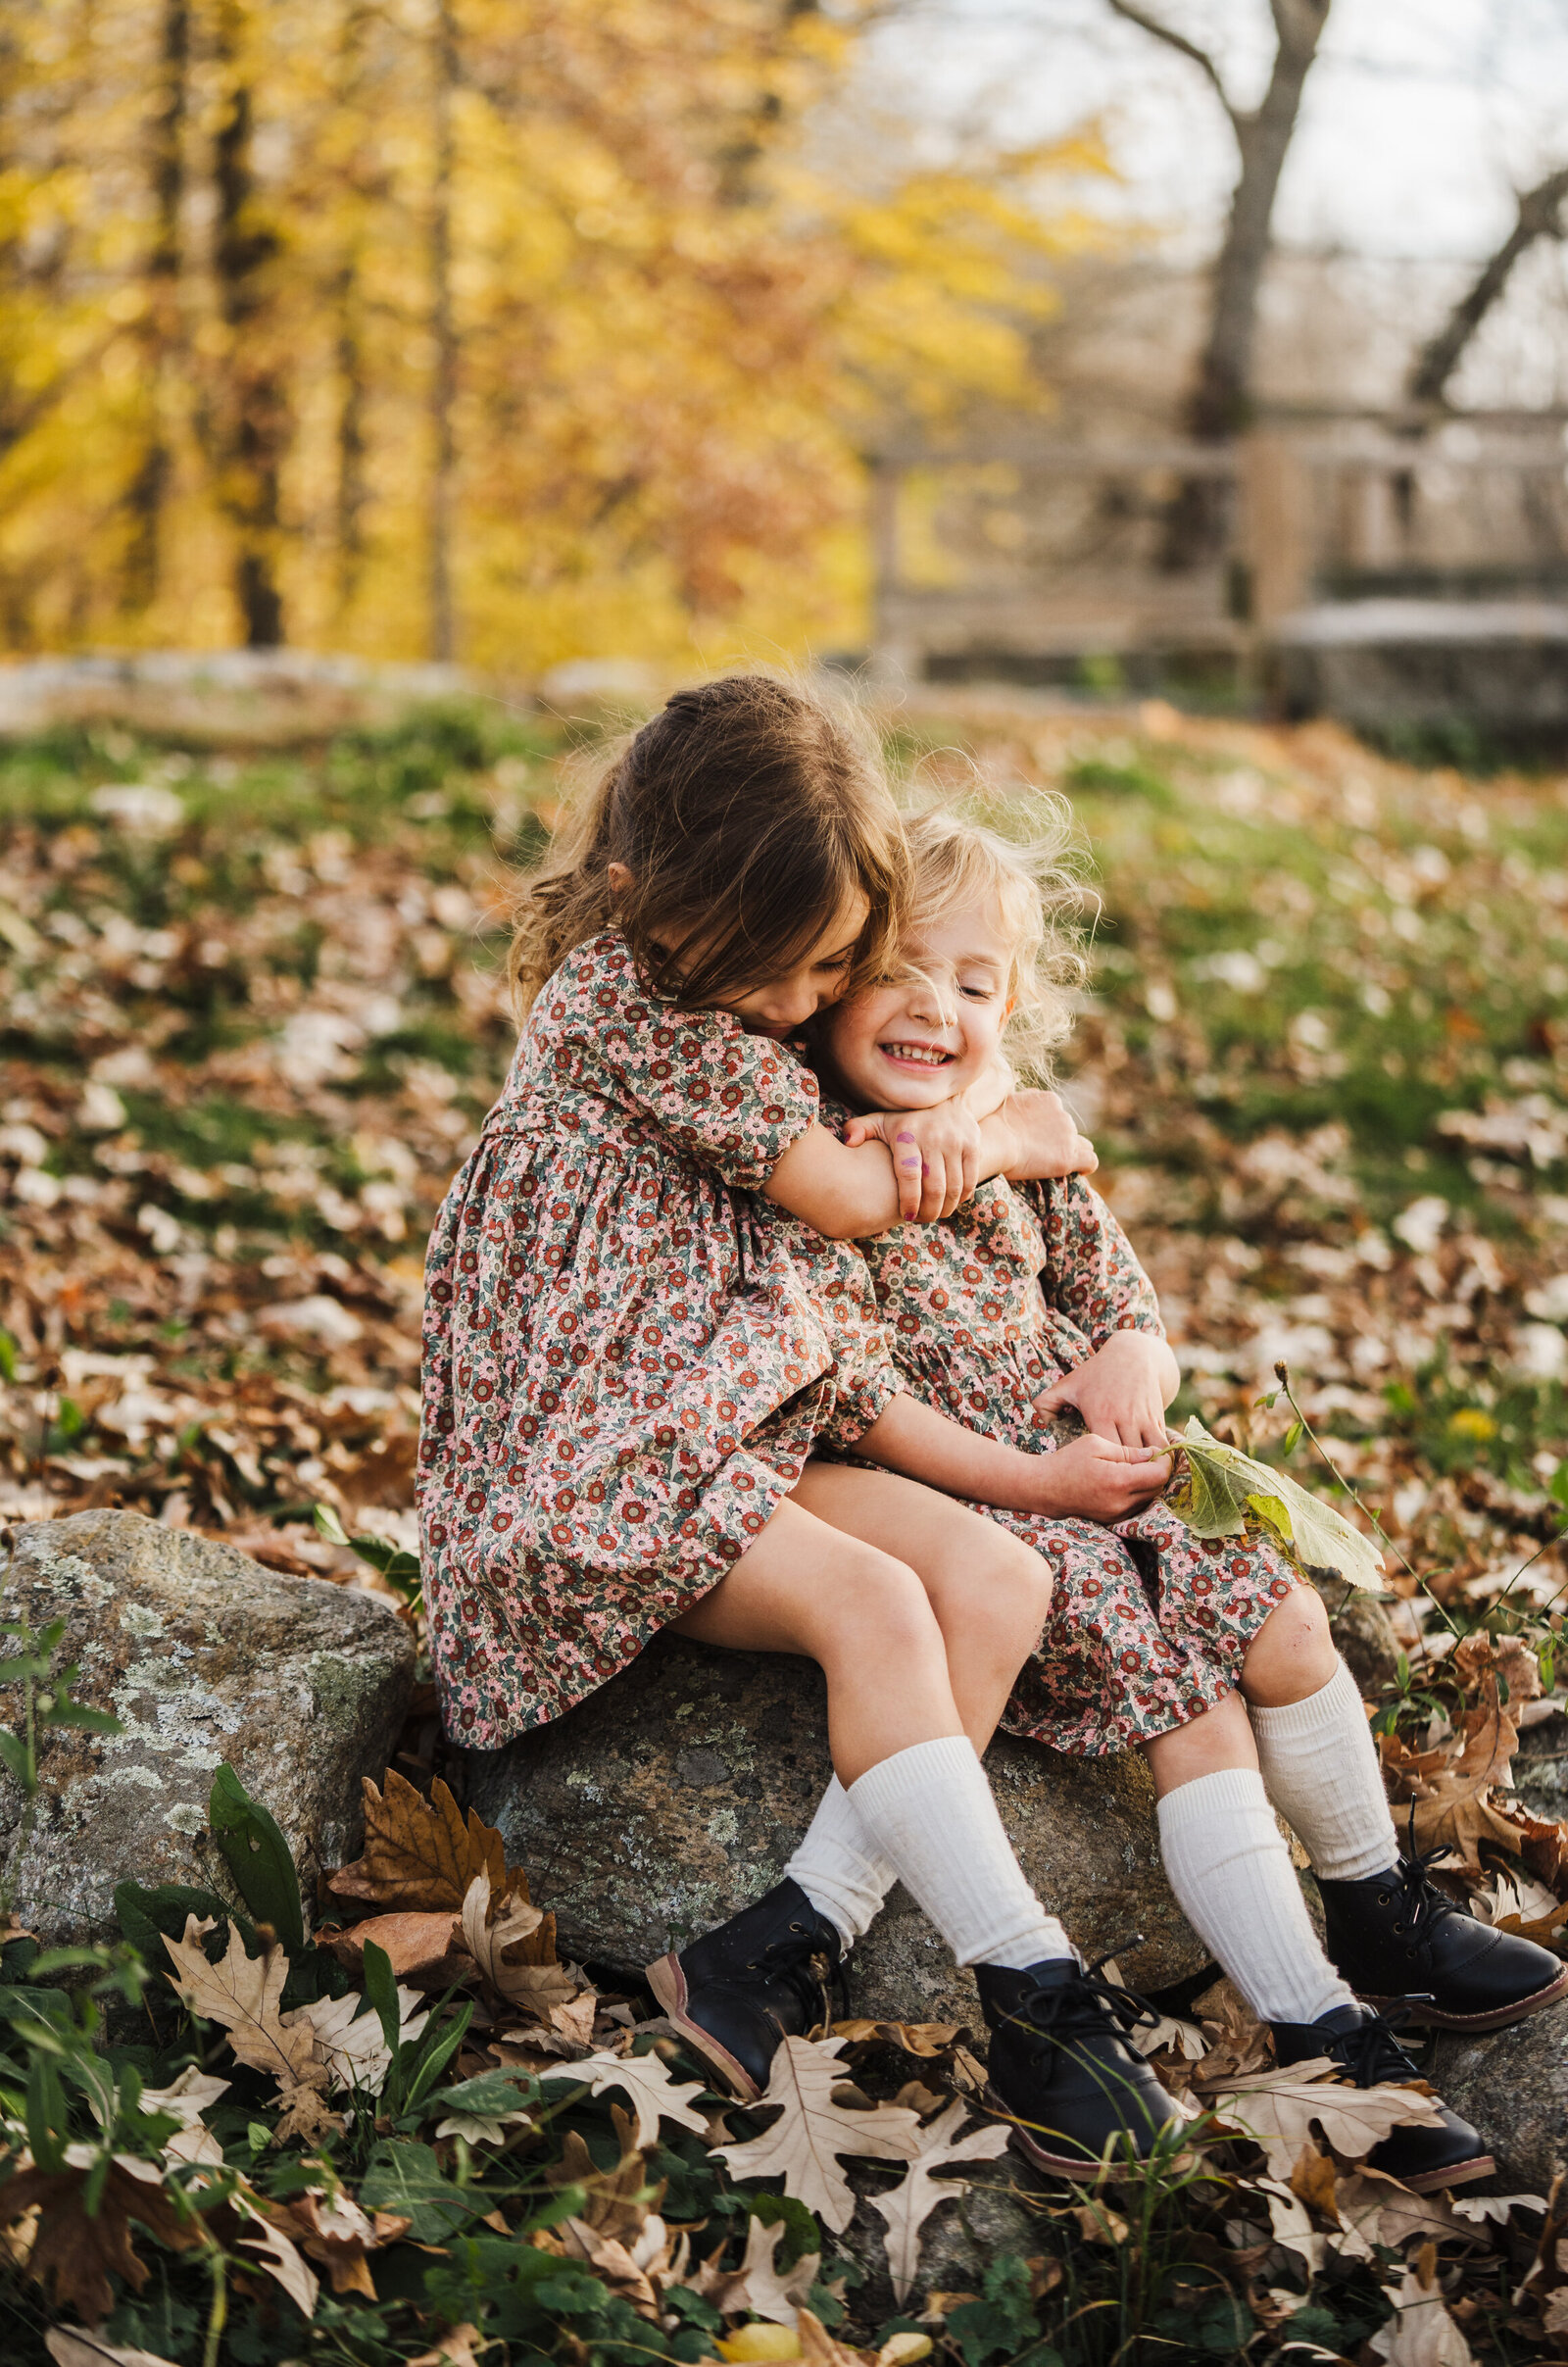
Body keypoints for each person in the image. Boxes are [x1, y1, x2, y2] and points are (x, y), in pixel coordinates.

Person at [419, 674, 1181, 2174]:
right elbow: (845, 1191)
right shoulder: (629, 1006)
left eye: (832, 962)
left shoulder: (737, 991)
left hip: (740, 1417)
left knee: (1003, 1578)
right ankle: (1033, 1988)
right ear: (653, 898)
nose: (800, 1002)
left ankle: (781, 1941)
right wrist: (1009, 1130)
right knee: (883, 1611)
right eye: (787, 966)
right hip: (611, 1450)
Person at [804, 802, 1568, 2192]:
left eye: (975, 985)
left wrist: (1131, 1368)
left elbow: (1130, 1308)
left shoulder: (1023, 1160)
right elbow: (849, 1396)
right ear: (826, 975)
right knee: (1193, 1708)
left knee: (1280, 1624)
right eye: (901, 970)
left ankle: (1376, 1908)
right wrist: (1045, 1476)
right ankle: (1320, 2034)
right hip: (998, 1512)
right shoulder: (824, 1165)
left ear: (1012, 1008)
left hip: (1103, 1478)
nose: (937, 1008)